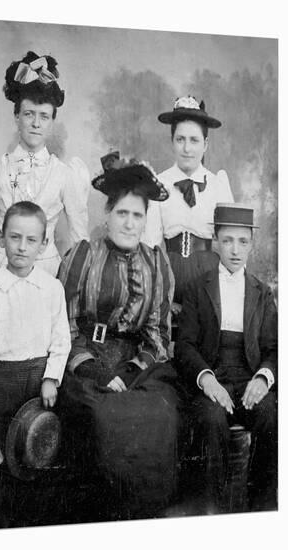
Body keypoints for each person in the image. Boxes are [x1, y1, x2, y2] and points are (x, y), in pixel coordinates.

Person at [58, 156, 181, 518]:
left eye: (137, 215)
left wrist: (130, 371)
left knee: (160, 412)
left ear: (146, 220)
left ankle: (148, 517)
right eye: (122, 213)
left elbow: (158, 334)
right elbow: (63, 325)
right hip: (86, 359)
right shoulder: (83, 255)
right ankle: (107, 519)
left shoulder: (157, 262)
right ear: (107, 215)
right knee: (104, 416)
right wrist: (97, 372)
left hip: (137, 364)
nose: (129, 223)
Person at [0, 50, 89, 319]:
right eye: (29, 114)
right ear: (16, 117)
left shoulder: (65, 174)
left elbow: (81, 241)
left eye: (44, 116)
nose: (35, 123)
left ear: (52, 121)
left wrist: (77, 291)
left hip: (46, 273)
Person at [175, 203, 277, 513]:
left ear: (251, 245)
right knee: (211, 418)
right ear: (215, 241)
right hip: (211, 375)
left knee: (271, 416)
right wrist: (207, 380)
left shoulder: (261, 292)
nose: (235, 250)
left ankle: (262, 510)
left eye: (243, 241)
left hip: (248, 377)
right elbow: (185, 346)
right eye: (228, 240)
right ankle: (211, 512)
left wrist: (263, 378)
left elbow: (274, 348)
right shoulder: (197, 288)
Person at [0, 201, 71, 450]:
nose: (22, 247)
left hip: (37, 384)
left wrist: (51, 378)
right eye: (14, 237)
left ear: (43, 245)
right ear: (1, 239)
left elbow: (61, 340)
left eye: (31, 240)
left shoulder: (52, 289)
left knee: (32, 450)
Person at [145, 96, 234, 309]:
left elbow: (231, 242)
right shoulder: (158, 183)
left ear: (205, 145)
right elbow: (151, 245)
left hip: (211, 282)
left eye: (194, 140)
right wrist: (164, 296)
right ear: (172, 142)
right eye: (180, 139)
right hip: (169, 280)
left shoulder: (217, 184)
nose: (187, 148)